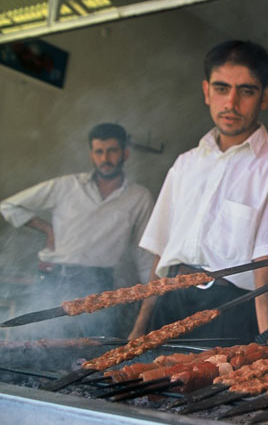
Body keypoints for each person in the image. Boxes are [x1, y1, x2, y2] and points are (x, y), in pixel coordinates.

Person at [128, 40, 268, 344]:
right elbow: (160, 250)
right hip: (170, 302)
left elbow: (266, 256)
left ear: (265, 97)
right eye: (221, 89)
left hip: (231, 310)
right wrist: (140, 325)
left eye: (246, 91)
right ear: (206, 91)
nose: (231, 103)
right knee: (148, 385)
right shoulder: (186, 163)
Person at [0, 123, 154, 337]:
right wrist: (47, 229)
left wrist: (150, 299)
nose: (105, 158)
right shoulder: (66, 186)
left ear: (125, 153)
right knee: (38, 345)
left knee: (92, 350)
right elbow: (8, 206)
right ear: (92, 155)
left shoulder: (139, 197)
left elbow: (144, 252)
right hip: (55, 278)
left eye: (112, 151)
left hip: (102, 284)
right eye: (99, 152)